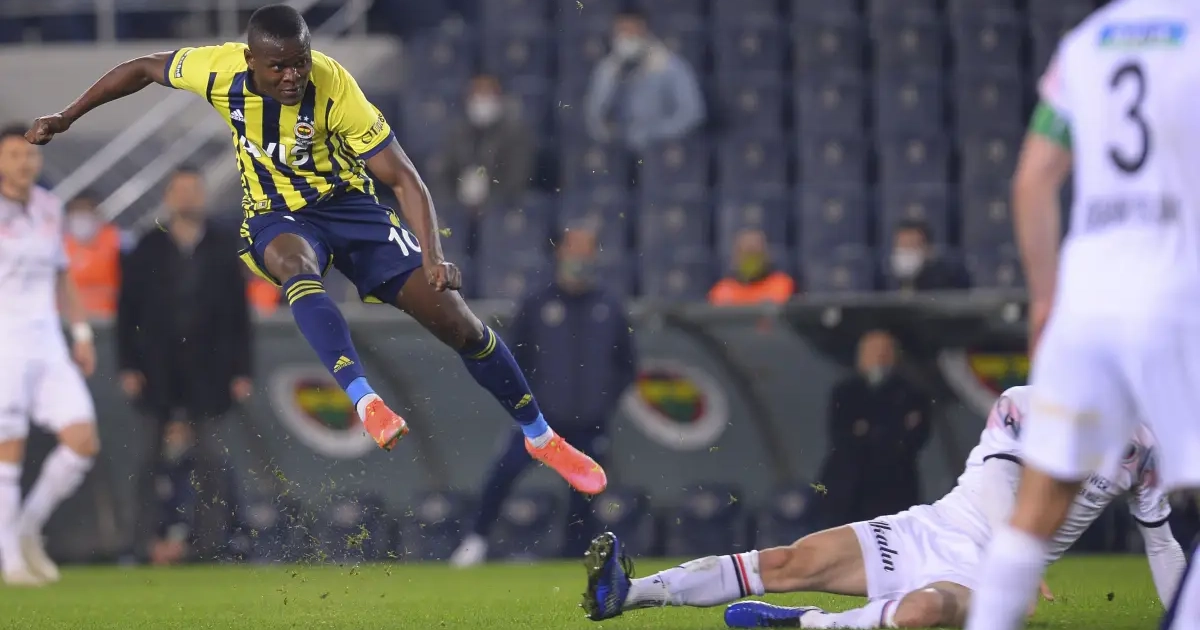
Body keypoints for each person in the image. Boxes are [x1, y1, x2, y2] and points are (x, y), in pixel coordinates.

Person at [25, 4, 606, 496]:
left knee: (460, 325)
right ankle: (364, 399)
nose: (291, 76)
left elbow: (403, 178)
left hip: (351, 209)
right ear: (250, 60)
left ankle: (540, 436)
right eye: (277, 66)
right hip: (275, 214)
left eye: (299, 62)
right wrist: (67, 116)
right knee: (296, 266)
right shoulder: (218, 69)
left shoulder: (335, 86)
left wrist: (432, 254)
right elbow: (141, 69)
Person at [962, 3, 1200, 630]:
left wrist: (1046, 300)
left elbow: (1033, 180)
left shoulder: (1086, 43)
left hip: (1086, 297)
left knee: (1036, 509)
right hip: (1178, 291)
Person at [579, 386, 1186, 628]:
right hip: (937, 528)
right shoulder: (1026, 404)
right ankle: (627, 594)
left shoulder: (1148, 449)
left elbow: (1161, 542)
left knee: (922, 613)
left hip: (984, 576)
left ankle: (804, 623)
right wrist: (1020, 550)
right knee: (789, 560)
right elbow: (1001, 477)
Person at [450, 225, 636, 567]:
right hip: (539, 422)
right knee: (502, 474)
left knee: (585, 494)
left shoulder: (609, 306)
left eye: (586, 249)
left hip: (589, 423)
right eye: (574, 248)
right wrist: (527, 406)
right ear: (560, 251)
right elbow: (514, 359)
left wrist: (602, 403)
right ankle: (476, 540)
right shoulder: (537, 304)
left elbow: (626, 366)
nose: (580, 257)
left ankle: (574, 556)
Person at [116, 166, 253, 561]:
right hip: (156, 369)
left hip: (210, 369)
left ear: (204, 195)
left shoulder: (223, 246)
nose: (188, 197)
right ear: (168, 196)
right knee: (147, 459)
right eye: (181, 190)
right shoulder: (148, 246)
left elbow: (239, 315)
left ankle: (209, 545)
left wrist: (242, 370)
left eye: (194, 189)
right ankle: (140, 544)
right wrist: (128, 364)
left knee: (211, 460)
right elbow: (127, 310)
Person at [0, 125, 101, 586]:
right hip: (6, 341)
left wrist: (81, 333)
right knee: (9, 448)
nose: (24, 162)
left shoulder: (48, 206)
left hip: (48, 340)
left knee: (83, 440)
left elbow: (63, 274)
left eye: (29, 155)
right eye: (14, 155)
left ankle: (26, 528)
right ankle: (10, 562)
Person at [817, 330, 930, 528]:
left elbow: (914, 438)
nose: (880, 357)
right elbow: (841, 435)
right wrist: (890, 429)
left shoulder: (911, 393)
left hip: (893, 488)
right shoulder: (845, 392)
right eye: (873, 351)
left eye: (885, 351)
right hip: (847, 489)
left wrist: (869, 431)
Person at [584, 8, 705, 153]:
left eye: (632, 31)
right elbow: (594, 114)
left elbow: (691, 113)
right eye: (621, 31)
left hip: (661, 148)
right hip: (618, 149)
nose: (626, 37)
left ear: (645, 31)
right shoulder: (607, 68)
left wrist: (653, 133)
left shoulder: (670, 65)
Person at [435, 73, 535, 211]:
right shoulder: (456, 132)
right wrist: (458, 195)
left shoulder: (515, 133)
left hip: (500, 208)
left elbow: (517, 177)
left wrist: (488, 193)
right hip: (459, 208)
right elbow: (442, 173)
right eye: (477, 94)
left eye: (487, 94)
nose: (481, 100)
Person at [62, 192, 122, 318]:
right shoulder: (61, 247)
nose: (81, 218)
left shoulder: (116, 242)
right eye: (77, 212)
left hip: (109, 317)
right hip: (70, 318)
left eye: (86, 211)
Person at [708, 228, 796, 306]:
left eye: (754, 252)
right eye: (745, 252)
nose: (750, 258)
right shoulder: (722, 290)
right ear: (735, 257)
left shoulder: (782, 284)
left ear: (767, 254)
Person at [887, 220, 970, 292]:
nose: (907, 250)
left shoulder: (946, 276)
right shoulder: (885, 277)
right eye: (902, 244)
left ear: (927, 248)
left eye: (912, 243)